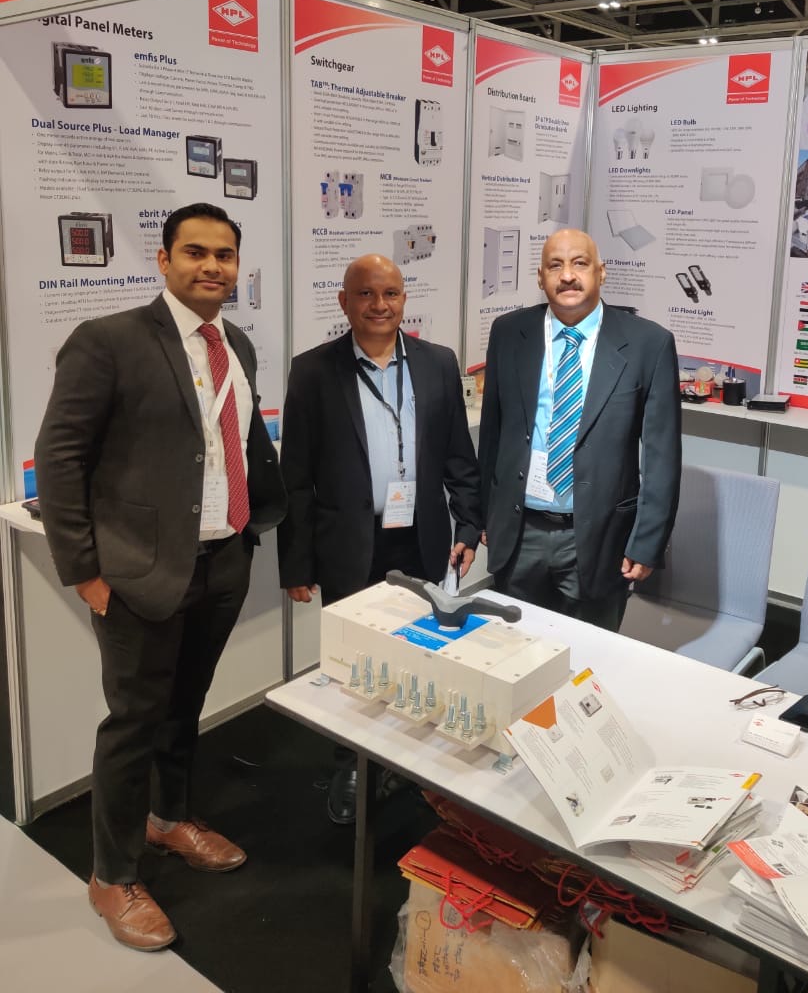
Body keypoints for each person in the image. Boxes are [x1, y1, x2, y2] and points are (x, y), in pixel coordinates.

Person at [34, 203, 286, 952]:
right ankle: (111, 874)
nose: (212, 266)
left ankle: (168, 819)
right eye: (196, 252)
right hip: (139, 573)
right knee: (133, 723)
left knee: (185, 707)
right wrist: (84, 571)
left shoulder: (236, 343)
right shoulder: (108, 340)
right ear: (165, 260)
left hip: (223, 559)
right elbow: (62, 458)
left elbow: (234, 442)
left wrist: (253, 529)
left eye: (224, 255)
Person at [278, 253, 481, 823]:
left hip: (421, 537)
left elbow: (458, 455)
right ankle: (352, 761)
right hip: (349, 541)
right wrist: (296, 564)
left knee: (419, 649)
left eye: (390, 293)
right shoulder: (313, 371)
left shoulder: (438, 363)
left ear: (404, 300)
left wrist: (469, 524)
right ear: (344, 302)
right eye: (365, 294)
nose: (379, 305)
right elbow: (295, 476)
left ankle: (408, 757)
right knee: (353, 659)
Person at [479, 228, 681, 632]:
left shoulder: (648, 343)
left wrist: (648, 540)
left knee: (590, 656)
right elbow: (493, 431)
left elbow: (662, 456)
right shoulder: (509, 332)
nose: (568, 276)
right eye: (555, 266)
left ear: (601, 272)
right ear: (541, 278)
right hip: (520, 532)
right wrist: (484, 513)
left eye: (579, 264)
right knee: (514, 647)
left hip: (599, 537)